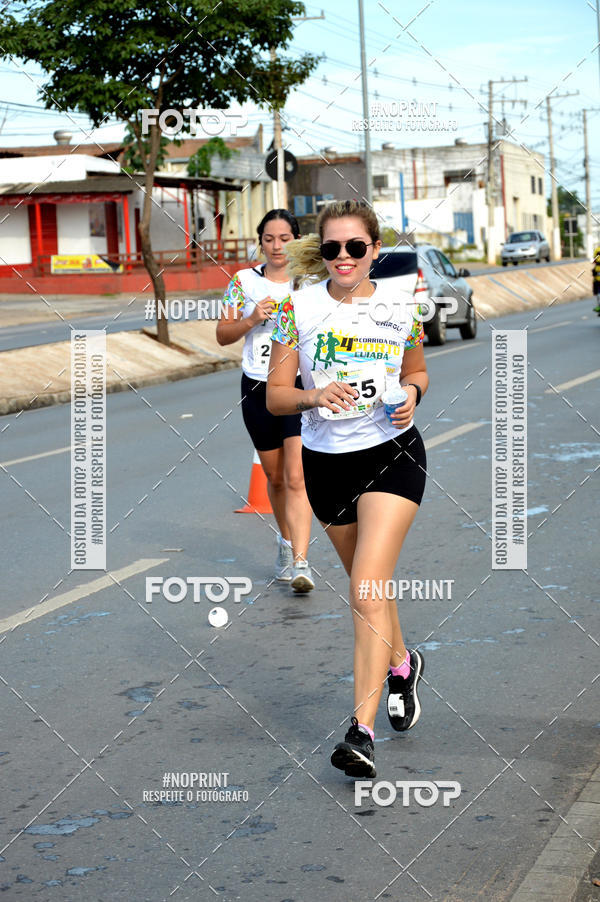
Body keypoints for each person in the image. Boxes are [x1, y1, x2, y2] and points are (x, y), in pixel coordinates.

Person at [267, 200, 429, 777]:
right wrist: (314, 396)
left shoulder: (401, 306)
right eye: (332, 248)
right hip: (327, 464)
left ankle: (359, 732)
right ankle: (404, 665)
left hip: (392, 457)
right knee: (372, 591)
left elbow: (418, 372)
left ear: (373, 252)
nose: (342, 258)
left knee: (366, 588)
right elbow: (276, 396)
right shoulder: (296, 309)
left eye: (355, 248)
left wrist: (411, 396)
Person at [216, 210, 314, 592]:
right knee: (274, 477)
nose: (277, 246)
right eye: (270, 239)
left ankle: (302, 561)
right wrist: (252, 318)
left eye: (285, 238)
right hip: (257, 387)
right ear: (261, 243)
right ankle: (286, 543)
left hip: (298, 386)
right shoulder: (243, 282)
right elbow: (223, 333)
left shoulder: (310, 282)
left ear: (297, 239)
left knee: (296, 476)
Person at [592, 245, 600, 314]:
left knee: (597, 292)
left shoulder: (597, 249)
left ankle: (598, 306)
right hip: (597, 275)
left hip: (597, 274)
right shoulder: (597, 249)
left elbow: (593, 260)